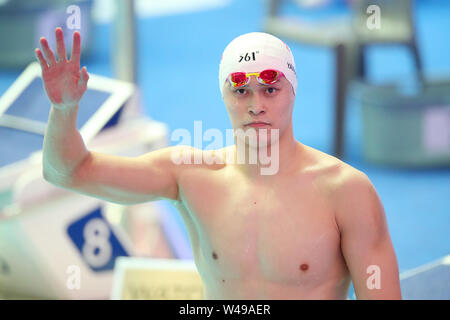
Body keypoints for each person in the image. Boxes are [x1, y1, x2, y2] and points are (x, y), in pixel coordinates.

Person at [36, 27, 401, 299]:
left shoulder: (346, 191)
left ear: (293, 90)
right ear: (223, 95)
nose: (256, 105)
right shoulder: (190, 176)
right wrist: (64, 110)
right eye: (240, 90)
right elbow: (67, 172)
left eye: (270, 89)